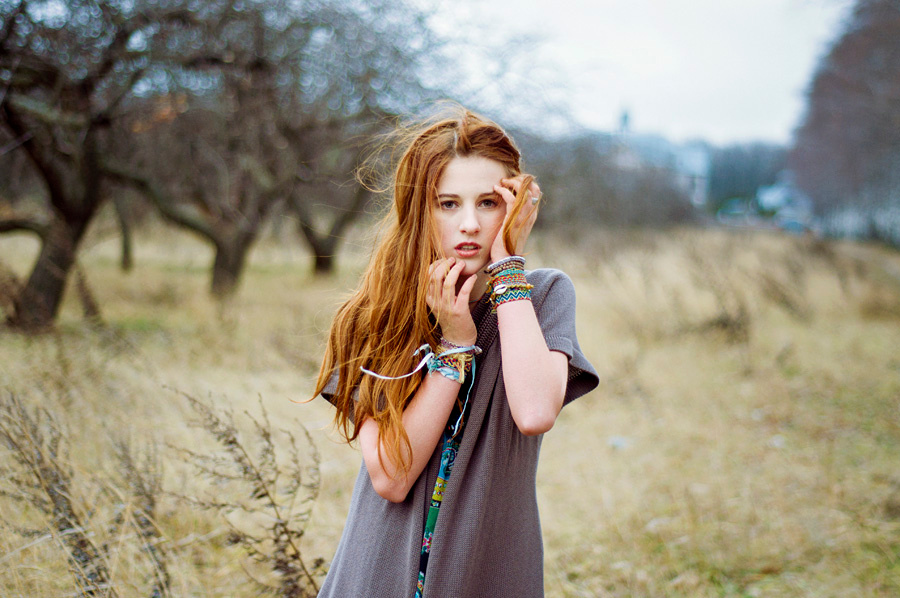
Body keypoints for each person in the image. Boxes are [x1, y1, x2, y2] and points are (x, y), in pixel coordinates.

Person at [312, 104, 598, 598]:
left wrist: (508, 271)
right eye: (448, 204)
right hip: (377, 575)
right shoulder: (373, 315)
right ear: (421, 210)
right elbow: (392, 478)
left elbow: (534, 412)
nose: (469, 223)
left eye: (488, 203)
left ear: (516, 206)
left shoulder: (544, 297)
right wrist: (455, 345)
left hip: (490, 574)